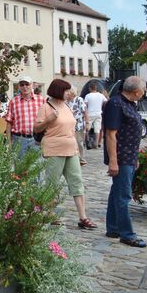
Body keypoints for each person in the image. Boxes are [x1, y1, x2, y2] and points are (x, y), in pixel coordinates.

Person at [34, 79, 96, 230]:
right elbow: (36, 128)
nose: (69, 93)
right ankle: (50, 214)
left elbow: (72, 128)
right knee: (52, 184)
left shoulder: (67, 106)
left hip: (71, 149)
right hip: (54, 149)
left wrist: (77, 150)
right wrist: (48, 120)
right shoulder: (46, 107)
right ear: (58, 90)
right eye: (66, 90)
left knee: (77, 182)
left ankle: (83, 217)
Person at [104, 76, 147, 247]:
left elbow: (132, 134)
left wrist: (135, 156)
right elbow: (110, 134)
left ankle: (113, 227)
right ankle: (127, 234)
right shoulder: (116, 104)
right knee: (123, 195)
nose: (143, 93)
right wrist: (113, 161)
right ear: (136, 92)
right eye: (143, 90)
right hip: (121, 157)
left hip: (129, 156)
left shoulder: (129, 104)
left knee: (117, 192)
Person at [5, 75, 45, 157]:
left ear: (32, 85)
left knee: (36, 167)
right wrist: (9, 142)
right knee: (20, 168)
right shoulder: (13, 101)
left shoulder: (41, 100)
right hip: (19, 140)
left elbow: (46, 120)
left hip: (36, 140)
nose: (25, 87)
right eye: (22, 85)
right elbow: (9, 123)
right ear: (19, 87)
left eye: (27, 84)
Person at [66, 85, 87, 166]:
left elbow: (85, 111)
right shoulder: (66, 101)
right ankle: (73, 157)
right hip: (68, 124)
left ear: (72, 92)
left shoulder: (79, 99)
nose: (67, 94)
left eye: (68, 92)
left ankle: (81, 158)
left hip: (78, 124)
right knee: (71, 141)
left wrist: (87, 122)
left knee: (79, 142)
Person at [84, 83, 107, 148]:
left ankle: (87, 143)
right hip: (98, 113)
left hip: (90, 113)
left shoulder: (88, 96)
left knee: (87, 128)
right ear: (96, 88)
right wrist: (101, 105)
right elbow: (106, 102)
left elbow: (85, 105)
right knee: (97, 129)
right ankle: (96, 144)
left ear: (90, 88)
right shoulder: (101, 95)